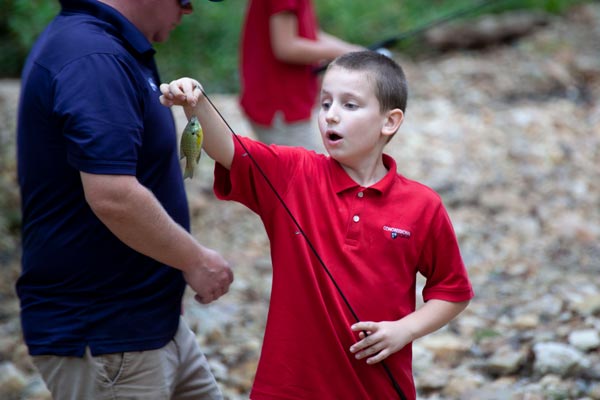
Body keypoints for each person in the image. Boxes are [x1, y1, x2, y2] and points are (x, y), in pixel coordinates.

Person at [160, 50, 474, 399]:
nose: (331, 116)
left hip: (377, 389)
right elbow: (228, 148)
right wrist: (197, 103)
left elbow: (452, 291)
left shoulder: (422, 205)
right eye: (325, 104)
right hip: (286, 388)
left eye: (350, 105)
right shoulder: (293, 173)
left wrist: (404, 330)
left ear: (390, 121)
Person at [16, 0, 233, 399]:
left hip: (151, 323)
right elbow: (113, 195)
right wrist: (195, 261)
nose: (189, 10)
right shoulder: (93, 57)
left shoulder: (110, 47)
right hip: (109, 336)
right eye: (185, 0)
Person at [239, 0, 364, 150]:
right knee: (303, 171)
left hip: (277, 101)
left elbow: (311, 35)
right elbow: (286, 47)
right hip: (280, 105)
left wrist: (354, 52)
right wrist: (343, 53)